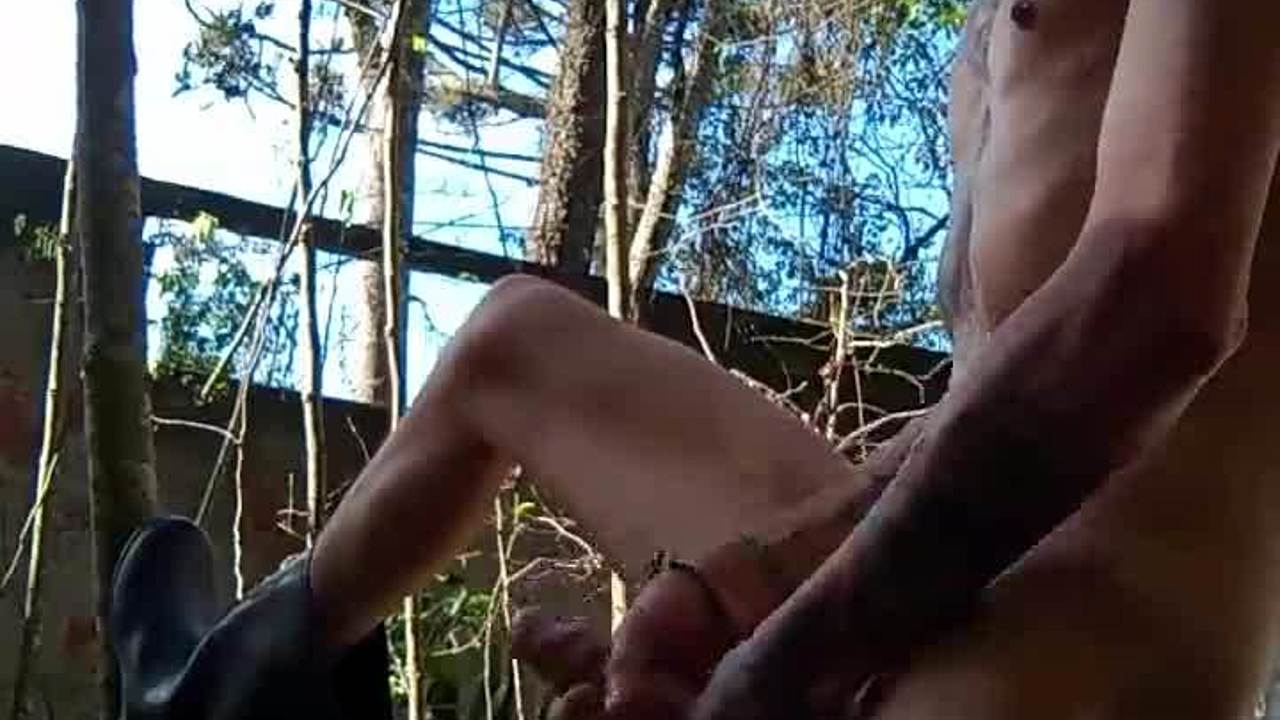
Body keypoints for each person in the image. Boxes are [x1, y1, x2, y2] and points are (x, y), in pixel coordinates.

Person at [110, 0, 1280, 717]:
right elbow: (993, 409)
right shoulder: (993, 55)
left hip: (1078, 678)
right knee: (515, 344)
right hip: (952, 625)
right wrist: (743, 591)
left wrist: (791, 661)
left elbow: (1154, 305)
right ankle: (227, 691)